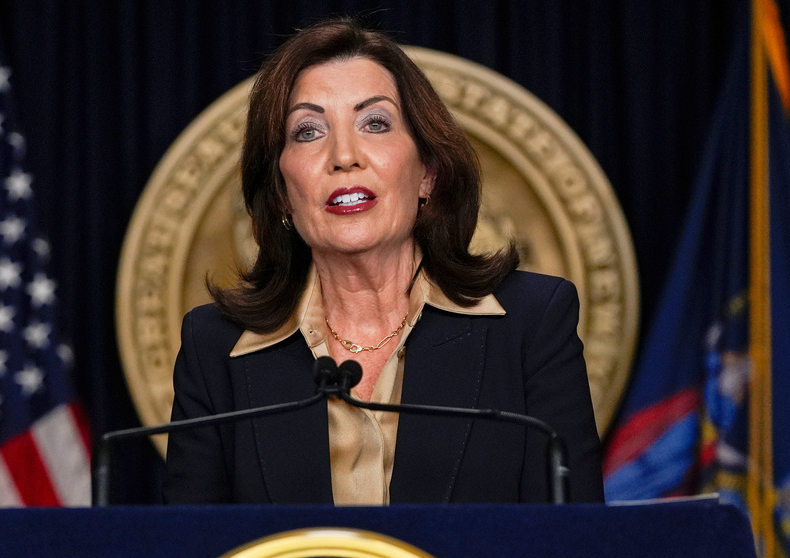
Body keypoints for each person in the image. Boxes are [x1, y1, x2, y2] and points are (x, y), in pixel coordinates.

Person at [163, 17, 603, 505]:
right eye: (308, 131)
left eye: (375, 123)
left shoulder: (531, 323)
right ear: (283, 193)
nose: (344, 155)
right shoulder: (214, 349)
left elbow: (574, 556)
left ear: (427, 174)